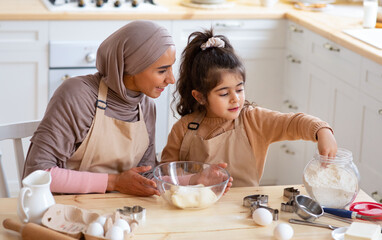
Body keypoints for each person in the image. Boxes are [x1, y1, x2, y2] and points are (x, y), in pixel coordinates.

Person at [160, 29, 337, 187]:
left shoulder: (253, 120)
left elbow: (291, 123)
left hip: (246, 208)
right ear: (200, 97)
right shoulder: (184, 128)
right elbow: (167, 173)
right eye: (224, 93)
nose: (235, 99)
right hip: (196, 209)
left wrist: (321, 130)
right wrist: (196, 178)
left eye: (239, 89)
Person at [23, 20, 176, 196]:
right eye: (162, 71)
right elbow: (38, 173)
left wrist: (195, 181)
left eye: (171, 67)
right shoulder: (78, 95)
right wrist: (114, 182)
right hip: (65, 213)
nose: (171, 79)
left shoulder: (145, 106)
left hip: (119, 212)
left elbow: (146, 175)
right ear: (133, 67)